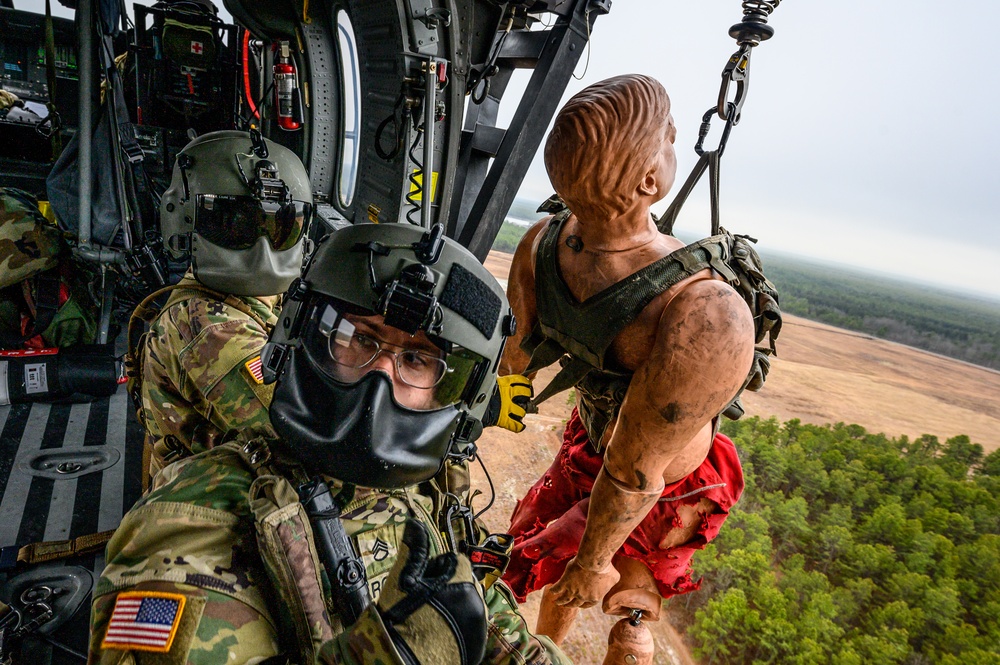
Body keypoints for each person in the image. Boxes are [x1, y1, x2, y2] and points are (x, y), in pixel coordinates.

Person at [90, 222, 569, 665]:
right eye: (360, 339)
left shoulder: (429, 491)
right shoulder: (193, 520)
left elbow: (503, 636)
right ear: (306, 338)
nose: (379, 380)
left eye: (419, 360)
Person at [499, 74, 761, 663]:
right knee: (622, 594)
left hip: (613, 453)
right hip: (662, 478)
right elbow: (635, 468)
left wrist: (504, 411)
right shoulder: (705, 309)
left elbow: (514, 363)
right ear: (648, 179)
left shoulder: (542, 242)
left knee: (596, 589)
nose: (677, 147)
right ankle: (567, 643)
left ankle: (559, 641)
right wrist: (594, 564)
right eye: (669, 141)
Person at [131, 129, 312, 479]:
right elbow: (300, 434)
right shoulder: (207, 326)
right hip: (207, 506)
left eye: (279, 226)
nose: (261, 249)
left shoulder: (248, 299)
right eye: (237, 225)